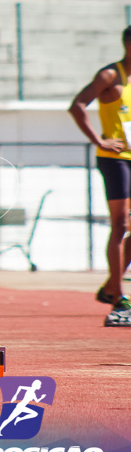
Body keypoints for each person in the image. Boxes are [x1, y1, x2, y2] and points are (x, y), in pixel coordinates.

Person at [69, 26, 131, 327]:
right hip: (115, 158)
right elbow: (77, 105)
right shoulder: (110, 76)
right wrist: (99, 140)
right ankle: (118, 295)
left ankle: (110, 286)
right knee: (119, 223)